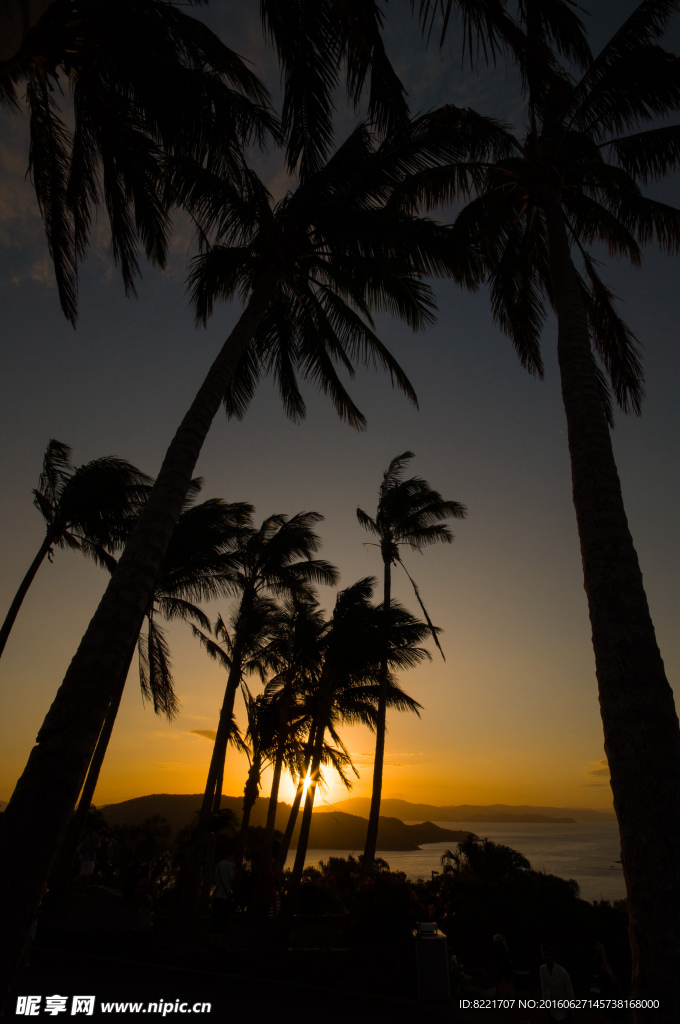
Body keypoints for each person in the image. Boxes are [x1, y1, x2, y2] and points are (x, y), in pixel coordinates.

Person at [540, 944, 574, 1022]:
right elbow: (544, 989)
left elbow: (569, 992)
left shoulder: (562, 972)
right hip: (552, 1009)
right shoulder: (543, 970)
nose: (547, 958)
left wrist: (569, 1009)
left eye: (548, 955)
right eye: (545, 955)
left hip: (564, 1009)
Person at [212, 850, 234, 935]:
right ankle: (219, 942)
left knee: (216, 920)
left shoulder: (218, 865)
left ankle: (213, 940)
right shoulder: (229, 865)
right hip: (224, 896)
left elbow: (215, 880)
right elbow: (231, 879)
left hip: (217, 895)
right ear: (231, 855)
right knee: (223, 921)